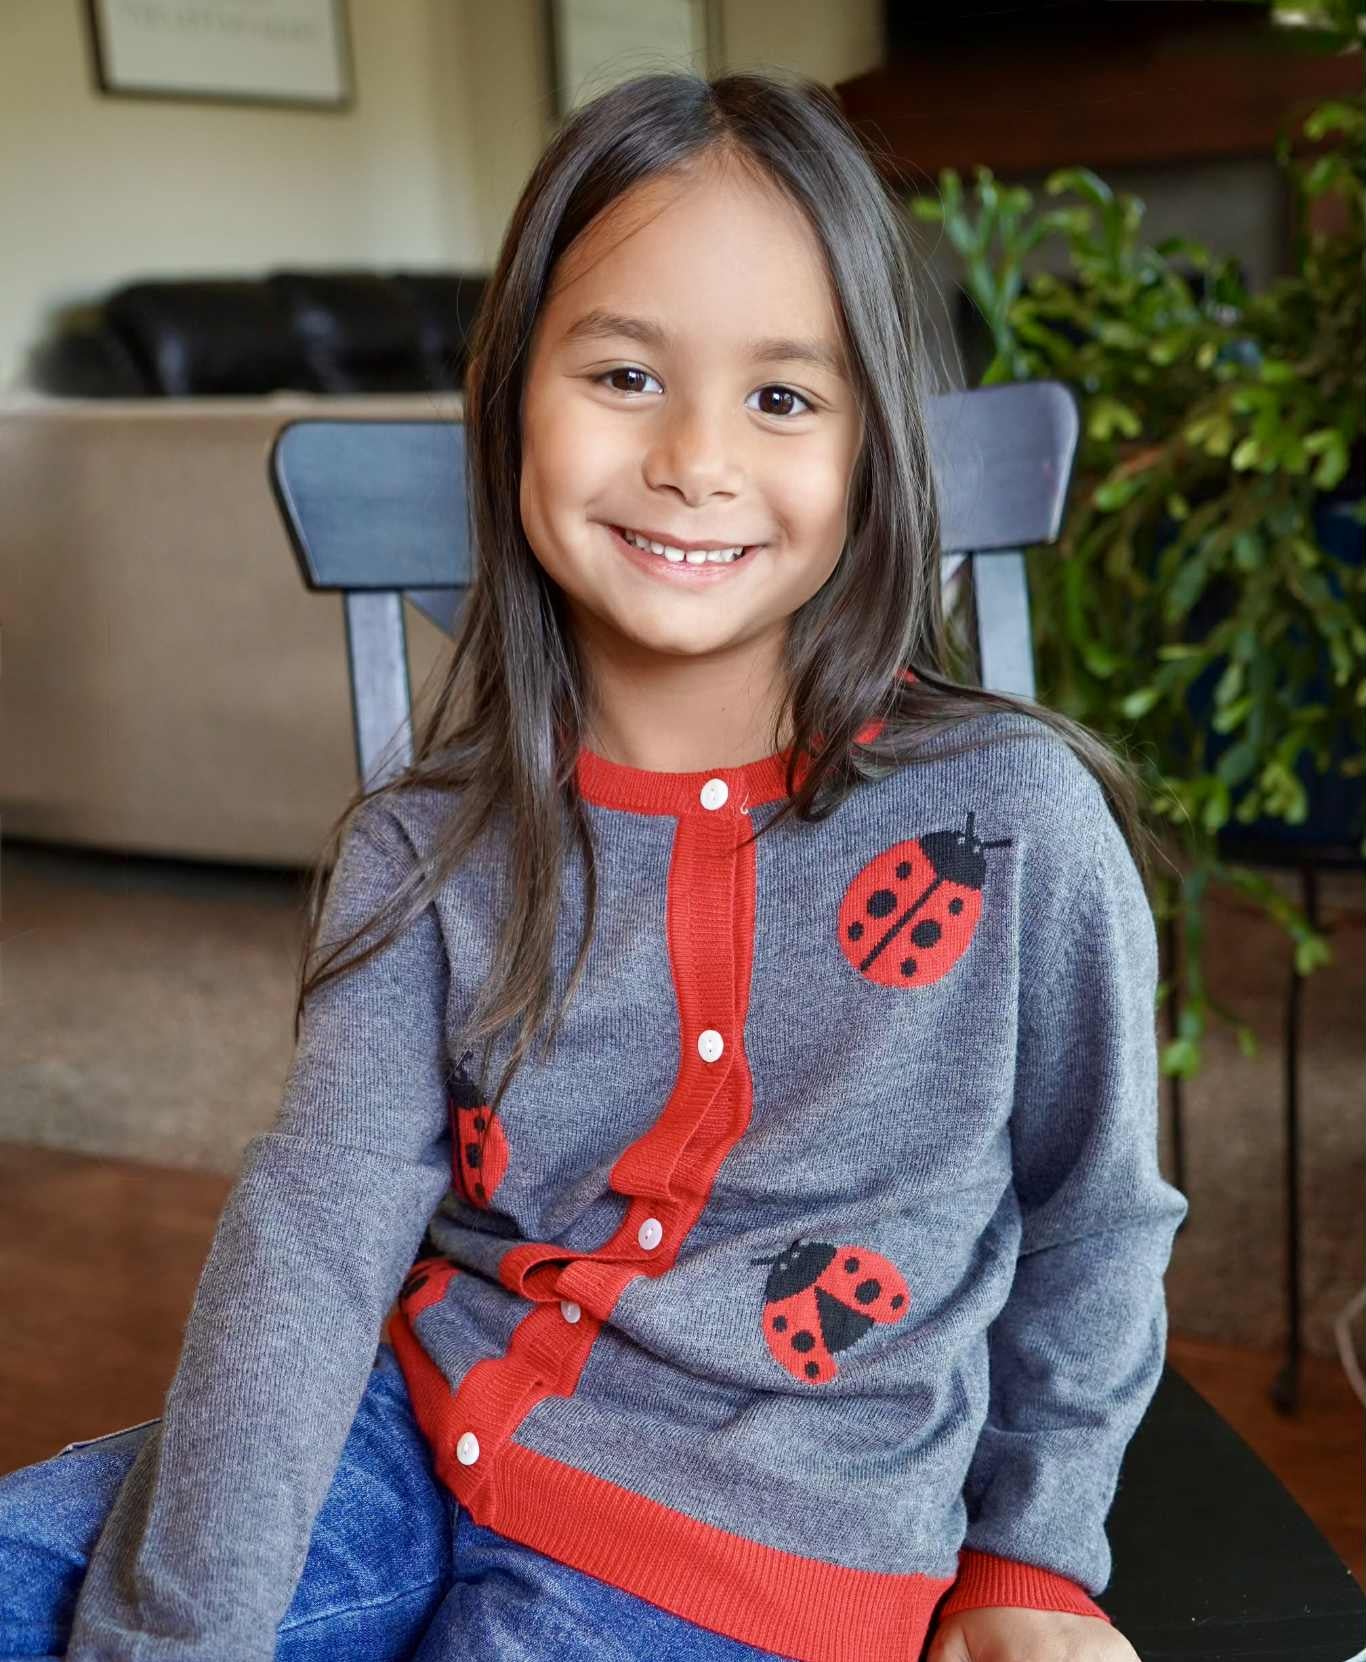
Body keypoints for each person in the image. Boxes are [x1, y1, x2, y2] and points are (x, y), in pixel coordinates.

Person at [0, 68, 1188, 1662]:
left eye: (782, 396)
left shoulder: (1013, 819)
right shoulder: (423, 848)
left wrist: (1032, 1562)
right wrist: (172, 1629)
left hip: (748, 1538)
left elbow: (1095, 1216)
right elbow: (312, 1241)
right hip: (406, 1430)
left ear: (869, 449)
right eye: (625, 372)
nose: (696, 456)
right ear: (511, 399)